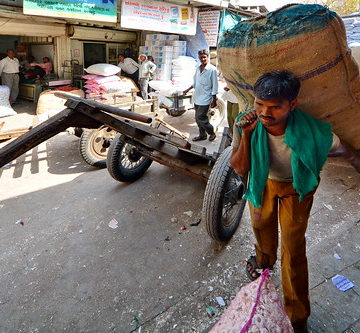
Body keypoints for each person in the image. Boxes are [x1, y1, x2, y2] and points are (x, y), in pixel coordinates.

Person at [230, 70, 360, 333]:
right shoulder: (247, 123)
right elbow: (240, 168)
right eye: (259, 104)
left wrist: (356, 160)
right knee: (261, 228)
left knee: (293, 247)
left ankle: (297, 316)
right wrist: (246, 135)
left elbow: (346, 149)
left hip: (297, 188)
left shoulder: (310, 130)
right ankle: (264, 261)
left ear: (293, 105)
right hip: (262, 182)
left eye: (275, 107)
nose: (265, 113)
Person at [183, 49, 218, 142]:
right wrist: (187, 89)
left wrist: (214, 99)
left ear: (208, 57)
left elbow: (215, 85)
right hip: (197, 96)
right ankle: (202, 135)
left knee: (201, 117)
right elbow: (195, 82)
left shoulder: (212, 70)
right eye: (201, 57)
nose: (202, 59)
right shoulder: (198, 69)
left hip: (206, 97)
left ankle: (212, 133)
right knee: (197, 119)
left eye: (204, 57)